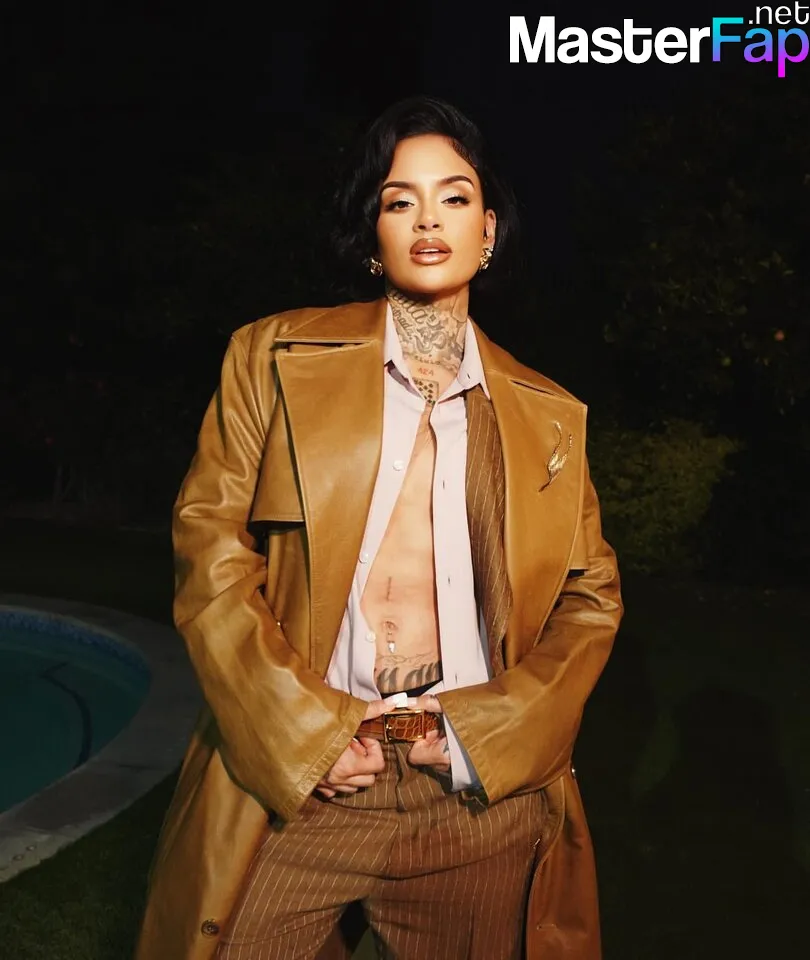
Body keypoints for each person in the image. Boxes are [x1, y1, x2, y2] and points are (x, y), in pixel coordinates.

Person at [135, 96, 623, 960]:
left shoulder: (549, 415)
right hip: (306, 785)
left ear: (488, 231)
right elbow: (209, 548)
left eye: (455, 196)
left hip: (473, 804)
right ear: (373, 236)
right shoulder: (272, 358)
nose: (429, 219)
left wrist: (492, 732)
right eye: (401, 201)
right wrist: (302, 734)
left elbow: (592, 597)